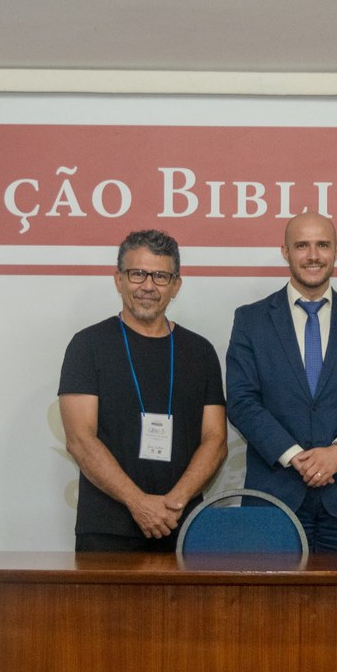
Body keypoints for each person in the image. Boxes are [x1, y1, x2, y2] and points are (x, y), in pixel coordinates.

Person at [58, 230, 228, 552]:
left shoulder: (200, 351)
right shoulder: (87, 346)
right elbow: (80, 440)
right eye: (137, 274)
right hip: (107, 529)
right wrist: (139, 503)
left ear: (175, 285)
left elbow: (216, 441)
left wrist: (173, 505)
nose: (148, 286)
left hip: (183, 528)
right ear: (118, 279)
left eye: (160, 276)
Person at [226, 212, 337, 552]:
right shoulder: (250, 320)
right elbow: (241, 400)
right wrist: (296, 456)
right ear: (285, 252)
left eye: (322, 245)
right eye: (302, 245)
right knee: (274, 606)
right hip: (275, 496)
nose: (313, 255)